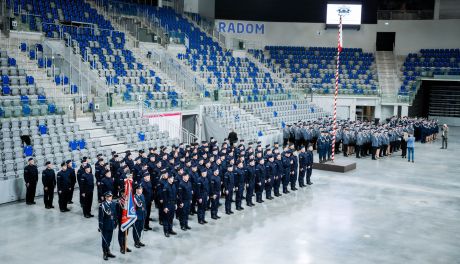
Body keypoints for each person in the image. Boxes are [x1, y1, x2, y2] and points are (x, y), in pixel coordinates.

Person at [98, 191, 117, 260]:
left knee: (109, 239)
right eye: (109, 196)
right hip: (105, 225)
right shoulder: (102, 205)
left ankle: (108, 251)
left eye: (111, 196)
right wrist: (100, 226)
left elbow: (115, 214)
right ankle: (105, 253)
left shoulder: (113, 203)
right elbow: (100, 216)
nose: (110, 197)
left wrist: (115, 222)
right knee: (105, 239)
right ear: (106, 197)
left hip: (111, 224)